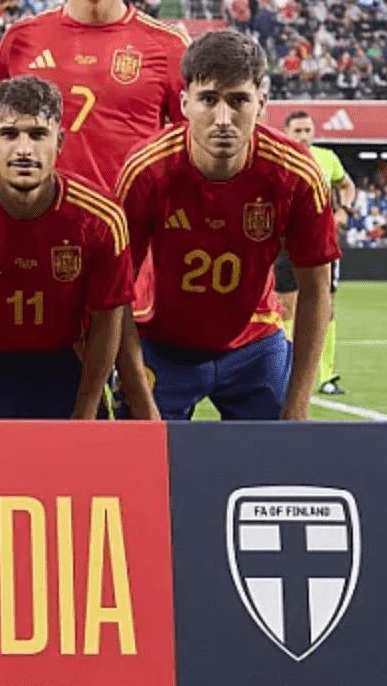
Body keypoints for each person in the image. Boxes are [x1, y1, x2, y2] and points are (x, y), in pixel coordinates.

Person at [113, 31, 339, 420]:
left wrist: (297, 406)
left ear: (261, 104)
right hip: (159, 341)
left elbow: (317, 292)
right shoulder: (146, 170)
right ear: (184, 103)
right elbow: (114, 293)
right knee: (139, 452)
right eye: (208, 99)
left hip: (256, 339)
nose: (222, 119)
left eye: (238, 101)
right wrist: (137, 393)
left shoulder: (297, 174)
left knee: (280, 453)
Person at [0, 76, 133, 419]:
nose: (23, 150)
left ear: (59, 141)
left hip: (65, 362)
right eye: (9, 134)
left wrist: (85, 412)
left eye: (37, 134)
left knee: (76, 456)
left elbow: (108, 320)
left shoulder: (100, 217)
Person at [0, 0, 190, 192]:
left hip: (129, 222)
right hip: (39, 220)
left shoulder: (169, 47)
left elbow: (192, 155)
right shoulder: (19, 40)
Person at [276, 110, 357, 394]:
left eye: (307, 130)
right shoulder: (278, 157)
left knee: (326, 305)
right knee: (285, 306)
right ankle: (284, 372)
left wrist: (344, 209)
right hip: (285, 241)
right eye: (298, 130)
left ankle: (327, 375)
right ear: (286, 132)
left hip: (320, 242)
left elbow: (347, 185)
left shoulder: (327, 158)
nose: (303, 136)